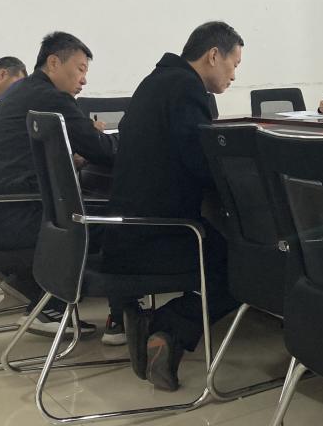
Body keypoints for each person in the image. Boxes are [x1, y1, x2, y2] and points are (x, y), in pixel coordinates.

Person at [103, 21, 243, 392]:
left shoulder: (156, 82)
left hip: (128, 228)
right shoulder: (186, 88)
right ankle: (167, 327)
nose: (234, 74)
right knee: (244, 262)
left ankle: (154, 325)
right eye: (234, 64)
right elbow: (199, 161)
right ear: (213, 56)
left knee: (226, 246)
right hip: (159, 235)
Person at [0, 32, 118, 335]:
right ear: (54, 62)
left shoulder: (24, 91)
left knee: (87, 211)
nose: (84, 80)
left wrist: (73, 156)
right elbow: (101, 149)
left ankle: (48, 299)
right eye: (80, 69)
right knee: (107, 224)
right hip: (10, 218)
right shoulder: (50, 97)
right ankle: (66, 309)